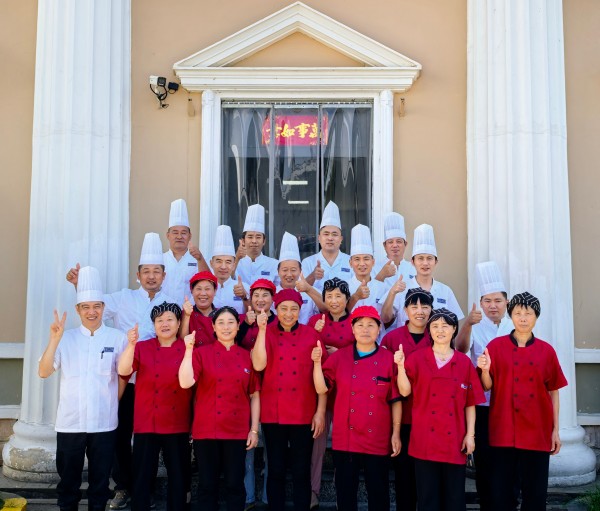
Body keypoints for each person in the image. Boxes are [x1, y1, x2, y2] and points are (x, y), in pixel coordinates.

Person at [66, 233, 178, 509]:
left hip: (158, 384)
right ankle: (124, 486)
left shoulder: (172, 302)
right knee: (120, 434)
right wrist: (79, 285)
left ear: (164, 275)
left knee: (149, 441)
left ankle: (145, 490)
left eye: (156, 271)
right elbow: (93, 307)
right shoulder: (122, 298)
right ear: (138, 275)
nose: (151, 276)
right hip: (125, 381)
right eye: (146, 271)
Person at [39, 266, 127, 511]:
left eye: (97, 306)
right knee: (68, 482)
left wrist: (112, 403)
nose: (92, 312)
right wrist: (54, 340)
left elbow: (123, 376)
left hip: (104, 423)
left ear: (103, 308)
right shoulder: (65, 338)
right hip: (71, 423)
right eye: (86, 307)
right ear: (77, 309)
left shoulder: (117, 338)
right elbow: (44, 371)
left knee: (100, 483)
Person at [478, 292, 567, 511]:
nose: (523, 318)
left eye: (528, 314)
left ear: (536, 316)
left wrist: (555, 430)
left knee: (535, 493)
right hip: (503, 429)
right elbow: (486, 386)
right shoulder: (495, 346)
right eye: (518, 313)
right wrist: (485, 370)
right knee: (501, 493)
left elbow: (553, 392)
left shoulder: (546, 351)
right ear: (511, 315)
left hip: (537, 430)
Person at [312, 306, 402, 511]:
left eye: (371, 325)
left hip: (377, 437)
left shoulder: (389, 359)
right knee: (345, 493)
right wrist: (317, 363)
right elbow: (321, 388)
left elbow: (396, 400)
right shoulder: (339, 358)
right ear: (352, 329)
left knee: (378, 492)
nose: (365, 330)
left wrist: (396, 433)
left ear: (379, 329)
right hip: (346, 437)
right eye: (360, 325)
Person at [396, 308, 485, 511]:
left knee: (454, 498)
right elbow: (404, 391)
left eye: (445, 326)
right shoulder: (417, 358)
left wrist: (470, 435)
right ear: (429, 330)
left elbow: (470, 402)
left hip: (454, 439)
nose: (440, 330)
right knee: (427, 498)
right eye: (435, 326)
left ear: (454, 329)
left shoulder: (463, 362)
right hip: (424, 438)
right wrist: (400, 367)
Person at [179, 306, 261, 511]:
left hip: (237, 430)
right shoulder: (201, 354)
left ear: (238, 326)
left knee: (235, 483)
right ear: (213, 327)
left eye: (231, 322)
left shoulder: (247, 356)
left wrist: (254, 430)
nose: (226, 327)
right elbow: (185, 382)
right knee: (207, 485)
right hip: (206, 429)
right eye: (221, 323)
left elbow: (254, 395)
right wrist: (188, 351)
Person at [252, 289, 326, 511]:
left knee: (301, 469)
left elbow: (322, 378)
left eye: (294, 309)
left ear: (300, 311)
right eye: (283, 308)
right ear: (276, 309)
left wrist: (320, 412)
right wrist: (262, 330)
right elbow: (258, 365)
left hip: (303, 411)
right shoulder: (266, 333)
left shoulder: (311, 335)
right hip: (273, 412)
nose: (288, 313)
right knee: (275, 469)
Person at [117, 302, 192, 511]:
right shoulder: (142, 347)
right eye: (159, 320)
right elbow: (123, 370)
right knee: (141, 475)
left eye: (169, 320)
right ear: (154, 324)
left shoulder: (188, 349)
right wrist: (130, 345)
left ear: (179, 323)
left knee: (178, 475)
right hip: (146, 421)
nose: (164, 324)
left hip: (177, 422)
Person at [454, 261, 514, 511]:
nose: (492, 306)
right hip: (483, 405)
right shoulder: (475, 327)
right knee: (486, 460)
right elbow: (460, 349)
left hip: (510, 405)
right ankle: (488, 505)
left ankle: (509, 504)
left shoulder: (515, 326)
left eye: (498, 300)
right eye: (487, 301)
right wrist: (467, 323)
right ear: (480, 302)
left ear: (506, 302)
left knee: (509, 460)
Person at [380, 287, 433, 511]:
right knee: (404, 477)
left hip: (431, 419)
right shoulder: (392, 338)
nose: (420, 311)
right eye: (414, 306)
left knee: (428, 479)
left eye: (425, 306)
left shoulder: (438, 336)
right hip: (401, 418)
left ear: (431, 310)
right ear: (405, 310)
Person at [307, 277, 355, 508]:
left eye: (338, 296)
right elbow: (305, 348)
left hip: (348, 390)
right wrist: (314, 333)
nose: (334, 301)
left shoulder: (356, 322)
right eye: (329, 297)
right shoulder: (316, 321)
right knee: (317, 444)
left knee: (343, 445)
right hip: (321, 390)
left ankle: (341, 492)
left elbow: (364, 351)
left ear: (347, 298)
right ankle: (313, 491)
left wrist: (340, 353)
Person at [381, 224, 464, 329]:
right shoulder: (401, 288)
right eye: (420, 258)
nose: (425, 263)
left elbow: (455, 323)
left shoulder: (445, 291)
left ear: (436, 262)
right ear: (412, 262)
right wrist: (392, 293)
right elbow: (385, 319)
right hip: (406, 339)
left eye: (429, 258)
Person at [162, 198, 210, 304]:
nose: (179, 236)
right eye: (175, 232)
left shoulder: (199, 259)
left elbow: (209, 282)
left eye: (183, 233)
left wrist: (200, 259)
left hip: (191, 311)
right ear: (168, 235)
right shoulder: (160, 259)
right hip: (163, 312)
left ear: (190, 236)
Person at [301, 201, 352, 291]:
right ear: (319, 238)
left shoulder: (351, 262)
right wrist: (313, 276)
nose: (330, 238)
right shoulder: (307, 262)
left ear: (341, 239)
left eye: (334, 234)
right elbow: (300, 290)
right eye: (326, 234)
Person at [277, 231, 325, 325]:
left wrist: (309, 289)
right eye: (285, 270)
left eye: (293, 270)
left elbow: (326, 309)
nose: (289, 274)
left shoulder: (311, 291)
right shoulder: (271, 293)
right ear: (278, 271)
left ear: (300, 271)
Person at [346, 224, 388, 314]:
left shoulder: (383, 288)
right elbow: (341, 315)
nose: (362, 263)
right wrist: (356, 296)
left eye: (366, 259)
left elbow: (387, 318)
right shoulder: (344, 287)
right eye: (357, 259)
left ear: (373, 262)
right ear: (350, 263)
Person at [234, 204, 279, 285]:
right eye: (250, 237)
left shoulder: (274, 265)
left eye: (258, 237)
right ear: (243, 241)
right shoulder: (235, 264)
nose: (254, 241)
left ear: (264, 241)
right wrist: (236, 259)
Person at [210, 225, 250, 313]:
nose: (223, 267)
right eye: (219, 261)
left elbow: (253, 314)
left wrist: (244, 297)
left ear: (234, 265)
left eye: (228, 262)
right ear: (211, 263)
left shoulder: (245, 288)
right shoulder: (204, 289)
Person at [373, 212, 415, 287]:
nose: (395, 245)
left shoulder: (413, 269)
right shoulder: (375, 269)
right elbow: (371, 292)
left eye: (399, 241)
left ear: (405, 244)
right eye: (390, 242)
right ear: (384, 245)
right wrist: (381, 276)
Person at [236, 279, 278, 350]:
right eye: (256, 295)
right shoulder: (240, 319)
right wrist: (246, 324)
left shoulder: (279, 322)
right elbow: (233, 343)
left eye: (265, 295)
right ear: (251, 299)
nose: (260, 300)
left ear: (272, 298)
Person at [179, 271, 218, 345]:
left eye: (207, 289)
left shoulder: (222, 314)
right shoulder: (184, 313)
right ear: (192, 291)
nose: (203, 293)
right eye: (198, 289)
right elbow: (182, 341)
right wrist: (187, 315)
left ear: (215, 291)